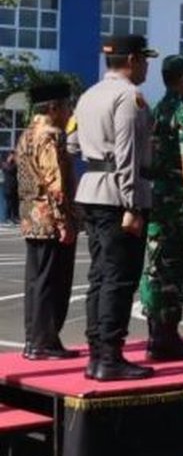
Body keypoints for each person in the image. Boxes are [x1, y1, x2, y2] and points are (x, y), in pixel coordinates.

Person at [71, 34, 157, 381]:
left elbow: (73, 143)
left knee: (99, 275)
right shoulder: (128, 97)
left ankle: (97, 353)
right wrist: (133, 205)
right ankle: (110, 355)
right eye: (145, 59)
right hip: (117, 196)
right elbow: (128, 154)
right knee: (119, 278)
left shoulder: (88, 95)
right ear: (133, 60)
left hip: (92, 189)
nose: (147, 66)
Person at [140, 54, 183, 361]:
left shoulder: (155, 112)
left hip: (154, 198)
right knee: (177, 270)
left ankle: (157, 335)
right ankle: (167, 338)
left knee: (156, 267)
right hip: (177, 202)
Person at [18, 82, 80, 360]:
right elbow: (55, 182)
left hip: (31, 217)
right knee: (53, 282)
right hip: (50, 219)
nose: (70, 111)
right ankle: (45, 341)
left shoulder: (27, 135)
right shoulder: (50, 136)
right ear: (53, 107)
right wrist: (64, 220)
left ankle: (34, 339)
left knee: (36, 281)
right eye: (67, 106)